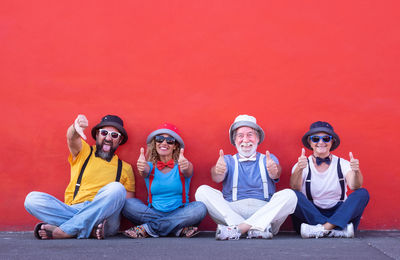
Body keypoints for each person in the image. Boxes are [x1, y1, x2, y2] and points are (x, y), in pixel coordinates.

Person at [24, 114, 135, 239]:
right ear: (97, 135)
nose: (108, 138)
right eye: (104, 133)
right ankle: (89, 229)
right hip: (75, 209)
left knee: (116, 188)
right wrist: (74, 128)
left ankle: (65, 231)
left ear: (119, 141)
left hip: (105, 217)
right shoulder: (85, 152)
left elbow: (127, 205)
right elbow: (72, 138)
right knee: (31, 200)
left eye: (114, 135)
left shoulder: (125, 168)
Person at [195, 115, 297, 240]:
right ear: (235, 140)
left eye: (250, 134)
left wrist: (274, 171)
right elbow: (217, 177)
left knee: (290, 195)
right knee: (202, 191)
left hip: (264, 210)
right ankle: (257, 229)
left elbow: (276, 173)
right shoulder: (227, 160)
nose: (245, 139)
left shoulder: (268, 159)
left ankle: (238, 229)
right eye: (240, 135)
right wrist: (218, 171)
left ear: (258, 138)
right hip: (233, 211)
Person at [122, 123, 207, 238]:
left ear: (175, 146)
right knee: (128, 204)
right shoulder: (149, 166)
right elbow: (144, 171)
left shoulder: (183, 165)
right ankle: (177, 229)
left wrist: (185, 165)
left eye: (170, 140)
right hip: (153, 213)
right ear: (155, 143)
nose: (164, 143)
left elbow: (188, 170)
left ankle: (148, 228)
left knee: (200, 208)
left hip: (181, 213)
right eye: (160, 139)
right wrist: (141, 166)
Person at [290, 121, 369, 238]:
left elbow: (354, 186)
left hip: (339, 212)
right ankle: (337, 229)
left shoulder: (342, 163)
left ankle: (323, 229)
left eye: (326, 138)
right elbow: (295, 187)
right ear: (310, 142)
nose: (321, 142)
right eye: (315, 138)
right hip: (311, 213)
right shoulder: (301, 164)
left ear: (332, 142)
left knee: (362, 193)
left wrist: (356, 171)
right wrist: (299, 169)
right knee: (291, 195)